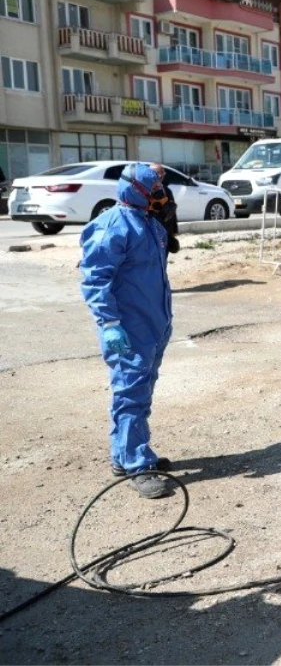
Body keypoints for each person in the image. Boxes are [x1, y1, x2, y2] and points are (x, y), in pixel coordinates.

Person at [79, 162, 175, 500]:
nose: (160, 196)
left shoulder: (150, 224)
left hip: (153, 323)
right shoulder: (111, 226)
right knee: (130, 394)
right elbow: (95, 279)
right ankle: (137, 465)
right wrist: (109, 323)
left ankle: (126, 454)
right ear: (136, 190)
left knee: (141, 392)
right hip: (128, 328)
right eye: (155, 191)